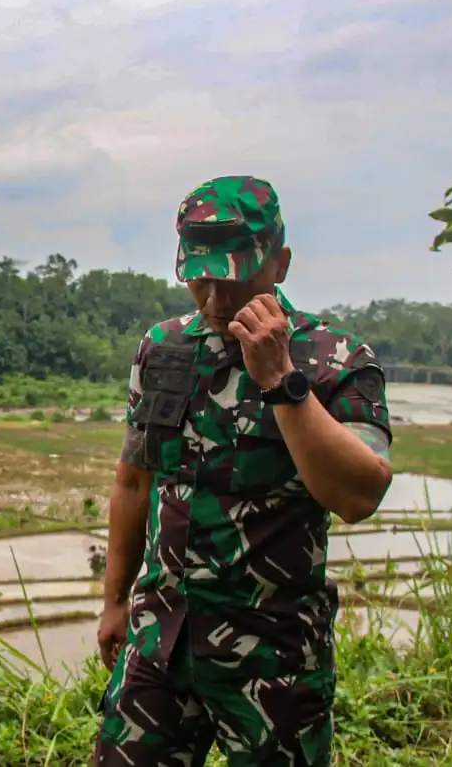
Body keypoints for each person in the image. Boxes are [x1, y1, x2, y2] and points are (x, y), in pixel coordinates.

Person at [93, 175, 395, 767]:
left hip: (272, 659)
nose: (214, 301)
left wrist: (282, 381)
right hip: (160, 643)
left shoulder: (335, 360)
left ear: (280, 264)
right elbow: (134, 480)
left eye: (232, 281)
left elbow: (359, 495)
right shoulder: (163, 348)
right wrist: (115, 600)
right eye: (199, 280)